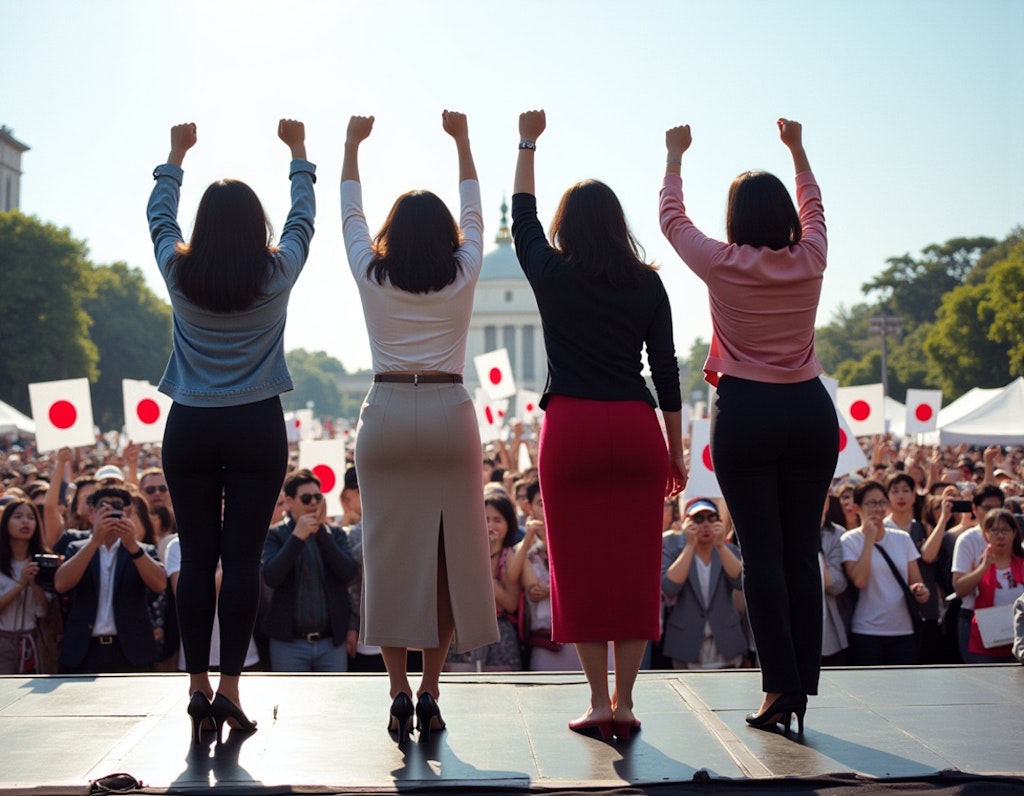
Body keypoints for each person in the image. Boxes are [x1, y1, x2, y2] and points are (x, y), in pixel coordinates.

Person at [513, 109, 686, 742]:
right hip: (636, 427)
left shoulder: (551, 276)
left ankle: (596, 701)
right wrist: (674, 450)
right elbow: (665, 370)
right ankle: (628, 699)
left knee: (578, 567)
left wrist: (528, 142)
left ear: (567, 228)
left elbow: (521, 219)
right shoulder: (647, 285)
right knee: (637, 564)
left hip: (573, 429)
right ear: (619, 226)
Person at [661, 118, 838, 734]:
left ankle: (779, 688)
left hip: (748, 412)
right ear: (785, 216)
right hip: (810, 410)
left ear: (736, 219)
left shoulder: (723, 262)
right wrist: (798, 150)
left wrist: (675, 156)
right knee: (800, 552)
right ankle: (801, 688)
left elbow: (671, 221)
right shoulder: (811, 257)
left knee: (761, 555)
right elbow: (815, 207)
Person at [148, 118, 315, 743]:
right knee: (242, 559)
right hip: (255, 421)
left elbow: (159, 217)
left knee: (197, 558)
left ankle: (194, 687)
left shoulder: (178, 271)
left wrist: (175, 157)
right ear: (256, 228)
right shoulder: (275, 275)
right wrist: (300, 155)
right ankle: (229, 690)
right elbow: (304, 220)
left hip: (190, 420)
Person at [341, 111, 498, 744]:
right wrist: (463, 141)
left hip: (383, 412)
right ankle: (432, 689)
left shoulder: (370, 274)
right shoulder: (463, 271)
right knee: (449, 561)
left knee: (388, 560)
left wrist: (350, 146)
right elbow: (476, 215)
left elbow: (350, 216)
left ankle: (398, 691)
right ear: (445, 237)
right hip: (448, 410)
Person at [54, 487, 167, 674]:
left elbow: (160, 585)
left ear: (128, 513)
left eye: (116, 507)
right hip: (84, 650)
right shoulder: (77, 547)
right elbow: (61, 584)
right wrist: (95, 542)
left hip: (131, 652)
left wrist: (133, 547)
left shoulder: (142, 551)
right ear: (92, 514)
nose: (110, 512)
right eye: (103, 507)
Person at [261, 469, 357, 672]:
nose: (314, 503)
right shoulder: (274, 535)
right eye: (306, 498)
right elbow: (271, 577)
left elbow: (348, 573)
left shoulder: (335, 533)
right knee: (292, 702)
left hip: (331, 643)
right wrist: (297, 537)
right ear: (288, 502)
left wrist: (321, 533)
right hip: (289, 645)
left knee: (335, 700)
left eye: (318, 497)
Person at [841, 480, 930, 665]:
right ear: (857, 507)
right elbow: (859, 580)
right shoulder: (849, 541)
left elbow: (916, 581)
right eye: (872, 503)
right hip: (866, 632)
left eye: (882, 502)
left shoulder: (902, 538)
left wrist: (920, 591)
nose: (878, 509)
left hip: (903, 631)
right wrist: (870, 539)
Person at [661, 499, 746, 670]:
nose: (705, 525)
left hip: (726, 645)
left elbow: (740, 581)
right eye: (698, 519)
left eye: (711, 518)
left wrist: (721, 545)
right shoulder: (673, 548)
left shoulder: (729, 551)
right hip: (686, 645)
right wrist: (690, 545)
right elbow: (670, 587)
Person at [446, 493, 522, 671]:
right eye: (485, 519)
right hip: (464, 629)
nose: (490, 526)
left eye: (497, 520)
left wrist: (486, 567)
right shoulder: (462, 552)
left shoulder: (510, 555)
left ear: (509, 523)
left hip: (500, 634)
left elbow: (511, 604)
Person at [958, 508, 1023, 663]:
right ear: (985, 534)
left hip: (1019, 640)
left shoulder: (1021, 562)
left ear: (1014, 533)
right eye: (994, 530)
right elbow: (960, 590)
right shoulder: (979, 562)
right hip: (985, 641)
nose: (1000, 536)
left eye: (1005, 530)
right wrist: (984, 567)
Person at [0, 499, 53, 673]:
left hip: (33, 640)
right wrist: (20, 585)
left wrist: (34, 583)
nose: (25, 522)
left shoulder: (44, 561)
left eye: (31, 517)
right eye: (18, 516)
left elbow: (45, 611)